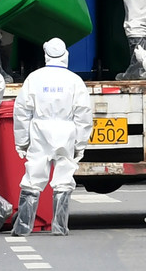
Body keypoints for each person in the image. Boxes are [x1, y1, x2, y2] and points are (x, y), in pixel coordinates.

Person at [12, 37, 91, 236]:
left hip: (40, 129)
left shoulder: (34, 78)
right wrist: (81, 142)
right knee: (64, 177)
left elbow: (21, 111)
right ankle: (59, 226)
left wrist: (21, 141)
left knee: (33, 177)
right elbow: (83, 113)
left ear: (46, 55)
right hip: (66, 130)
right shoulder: (74, 80)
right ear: (66, 55)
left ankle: (23, 226)